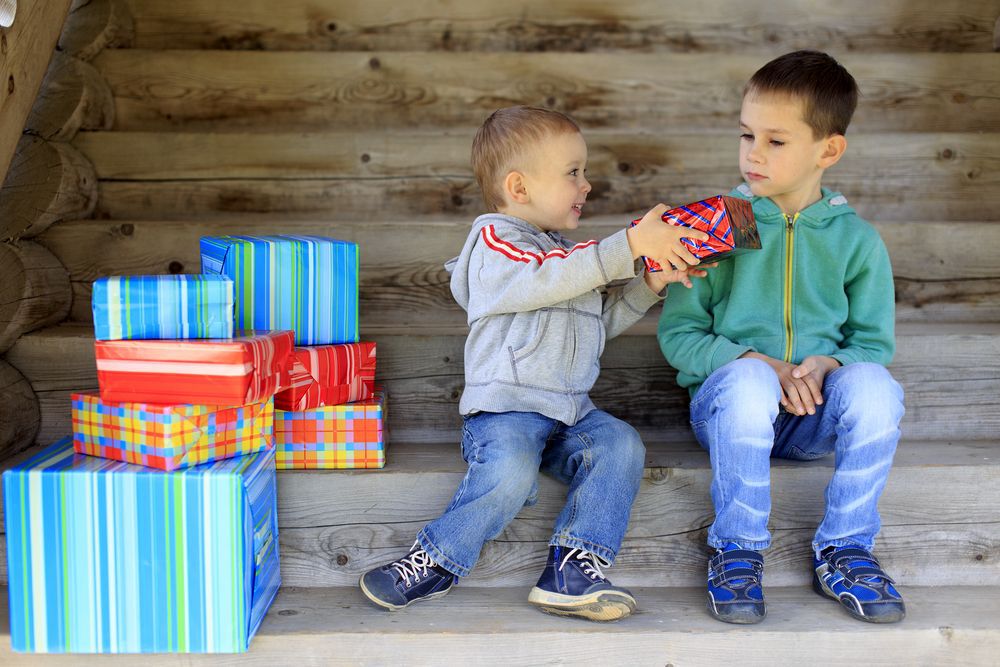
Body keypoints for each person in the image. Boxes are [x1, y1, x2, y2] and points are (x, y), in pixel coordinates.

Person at [360, 105, 711, 622]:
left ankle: (574, 565)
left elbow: (597, 323)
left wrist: (649, 284)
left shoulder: (566, 258)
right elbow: (546, 276)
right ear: (519, 188)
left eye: (584, 172)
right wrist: (630, 243)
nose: (587, 185)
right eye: (573, 173)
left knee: (620, 444)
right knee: (509, 472)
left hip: (569, 414)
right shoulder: (495, 244)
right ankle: (433, 558)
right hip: (506, 413)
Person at [658, 50, 906, 625]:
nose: (753, 153)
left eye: (775, 140)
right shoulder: (725, 222)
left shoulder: (856, 240)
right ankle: (737, 550)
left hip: (814, 415)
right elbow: (680, 335)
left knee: (877, 388)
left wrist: (828, 365)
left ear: (828, 150)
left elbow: (873, 343)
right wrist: (755, 362)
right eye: (747, 135)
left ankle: (846, 549)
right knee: (746, 381)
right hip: (732, 409)